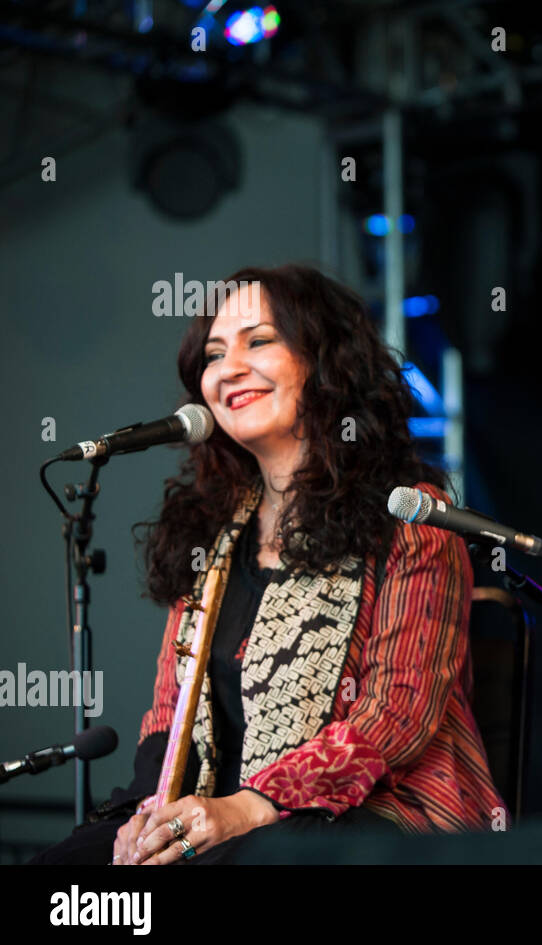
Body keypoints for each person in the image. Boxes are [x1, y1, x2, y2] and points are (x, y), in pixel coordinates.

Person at [31, 264, 504, 864]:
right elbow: (167, 715)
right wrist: (146, 819)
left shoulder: (410, 519)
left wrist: (246, 807)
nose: (229, 369)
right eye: (213, 354)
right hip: (210, 813)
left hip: (372, 813)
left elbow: (396, 716)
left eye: (260, 341)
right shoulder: (210, 532)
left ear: (326, 361)